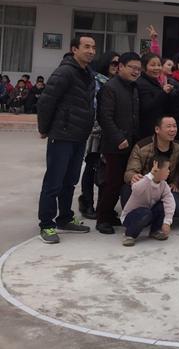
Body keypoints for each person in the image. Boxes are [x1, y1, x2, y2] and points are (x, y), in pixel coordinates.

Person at [37, 36, 97, 243]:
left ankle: (65, 218)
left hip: (79, 136)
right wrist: (44, 128)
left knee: (70, 181)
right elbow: (46, 101)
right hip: (62, 135)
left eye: (93, 47)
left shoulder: (88, 73)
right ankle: (47, 224)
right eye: (86, 46)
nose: (91, 51)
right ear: (74, 49)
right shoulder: (65, 72)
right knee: (53, 182)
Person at [96, 52, 141, 235]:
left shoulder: (133, 87)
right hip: (115, 145)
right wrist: (118, 138)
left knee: (122, 181)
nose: (136, 71)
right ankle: (102, 218)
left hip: (131, 142)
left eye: (138, 69)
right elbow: (104, 117)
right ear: (121, 66)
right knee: (111, 182)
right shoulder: (110, 87)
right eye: (132, 68)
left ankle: (109, 214)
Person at [78, 51, 118, 220]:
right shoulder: (96, 81)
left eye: (119, 64)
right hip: (96, 131)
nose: (116, 66)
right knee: (92, 167)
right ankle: (86, 202)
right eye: (114, 63)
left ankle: (104, 206)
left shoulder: (119, 82)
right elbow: (93, 106)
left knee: (106, 170)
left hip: (112, 132)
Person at [123, 116, 179, 220]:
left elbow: (178, 169)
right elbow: (130, 171)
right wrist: (133, 176)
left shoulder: (178, 147)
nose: (173, 130)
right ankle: (149, 213)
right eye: (168, 126)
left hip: (164, 188)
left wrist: (175, 182)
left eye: (175, 126)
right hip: (145, 187)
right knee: (127, 192)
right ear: (157, 129)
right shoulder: (142, 147)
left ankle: (153, 213)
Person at [120, 151, 176, 246]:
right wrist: (151, 174)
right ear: (157, 170)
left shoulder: (164, 185)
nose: (169, 171)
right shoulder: (144, 180)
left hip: (147, 215)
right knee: (145, 212)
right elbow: (136, 189)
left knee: (162, 206)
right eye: (167, 169)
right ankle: (129, 235)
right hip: (131, 217)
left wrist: (167, 222)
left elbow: (170, 202)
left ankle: (155, 230)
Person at [136, 53, 172, 140]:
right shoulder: (141, 83)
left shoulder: (155, 82)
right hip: (147, 129)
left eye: (159, 65)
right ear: (143, 67)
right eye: (152, 65)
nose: (157, 68)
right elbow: (147, 106)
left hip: (157, 126)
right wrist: (163, 92)